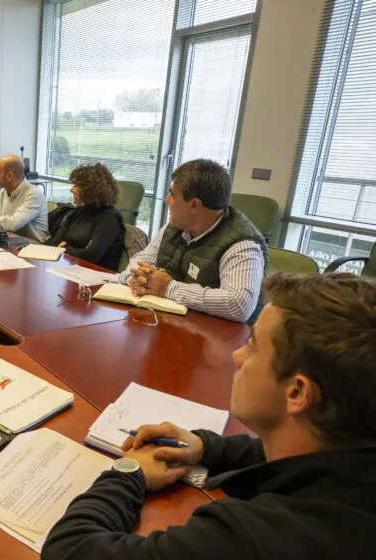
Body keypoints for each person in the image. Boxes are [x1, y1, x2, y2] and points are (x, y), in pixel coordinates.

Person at [42, 272, 376, 560]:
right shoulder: (352, 458)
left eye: (253, 346)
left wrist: (128, 473)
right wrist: (204, 446)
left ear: (297, 393)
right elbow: (296, 461)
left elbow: (70, 549)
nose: (237, 355)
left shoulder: (258, 539)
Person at [116, 159, 267, 323]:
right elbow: (143, 259)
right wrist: (137, 277)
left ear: (194, 205)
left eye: (172, 195)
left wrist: (168, 287)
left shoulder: (242, 244)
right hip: (171, 323)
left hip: (217, 334)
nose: (167, 200)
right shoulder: (175, 226)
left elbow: (239, 304)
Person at [46, 163, 125, 270]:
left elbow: (90, 256)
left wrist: (64, 247)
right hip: (70, 267)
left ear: (91, 189)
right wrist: (73, 249)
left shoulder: (110, 219)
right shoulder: (78, 212)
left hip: (97, 274)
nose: (71, 189)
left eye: (76, 186)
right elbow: (54, 243)